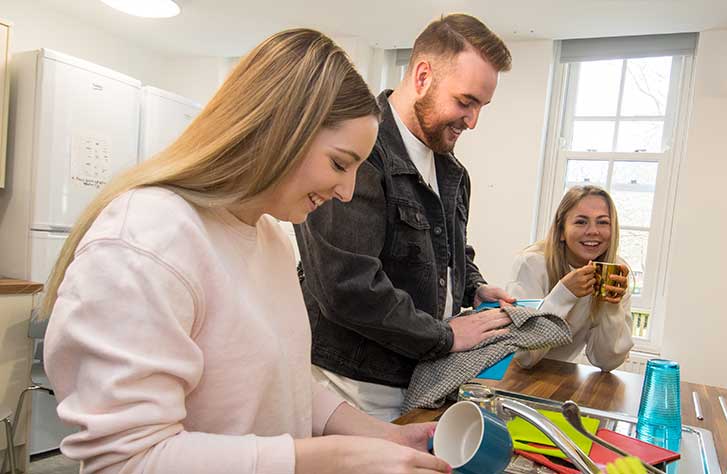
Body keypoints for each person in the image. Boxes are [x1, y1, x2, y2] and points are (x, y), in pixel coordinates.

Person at [41, 29, 450, 474]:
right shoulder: (144, 240)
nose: (348, 192)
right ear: (278, 131)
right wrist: (335, 458)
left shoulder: (271, 235)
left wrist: (379, 434)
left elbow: (283, 380)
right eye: (338, 163)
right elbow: (127, 462)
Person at [295, 13, 514, 421]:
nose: (473, 121)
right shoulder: (361, 157)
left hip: (420, 374)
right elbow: (347, 286)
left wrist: (475, 288)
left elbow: (449, 251)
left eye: (481, 106)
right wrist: (447, 336)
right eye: (466, 102)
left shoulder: (451, 170)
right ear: (423, 76)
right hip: (353, 385)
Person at [506, 185, 634, 372]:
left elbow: (606, 362)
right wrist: (563, 295)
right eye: (581, 222)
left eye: (603, 222)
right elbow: (523, 357)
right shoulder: (531, 264)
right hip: (512, 376)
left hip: (560, 377)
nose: (593, 231)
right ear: (561, 231)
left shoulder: (615, 272)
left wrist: (612, 307)